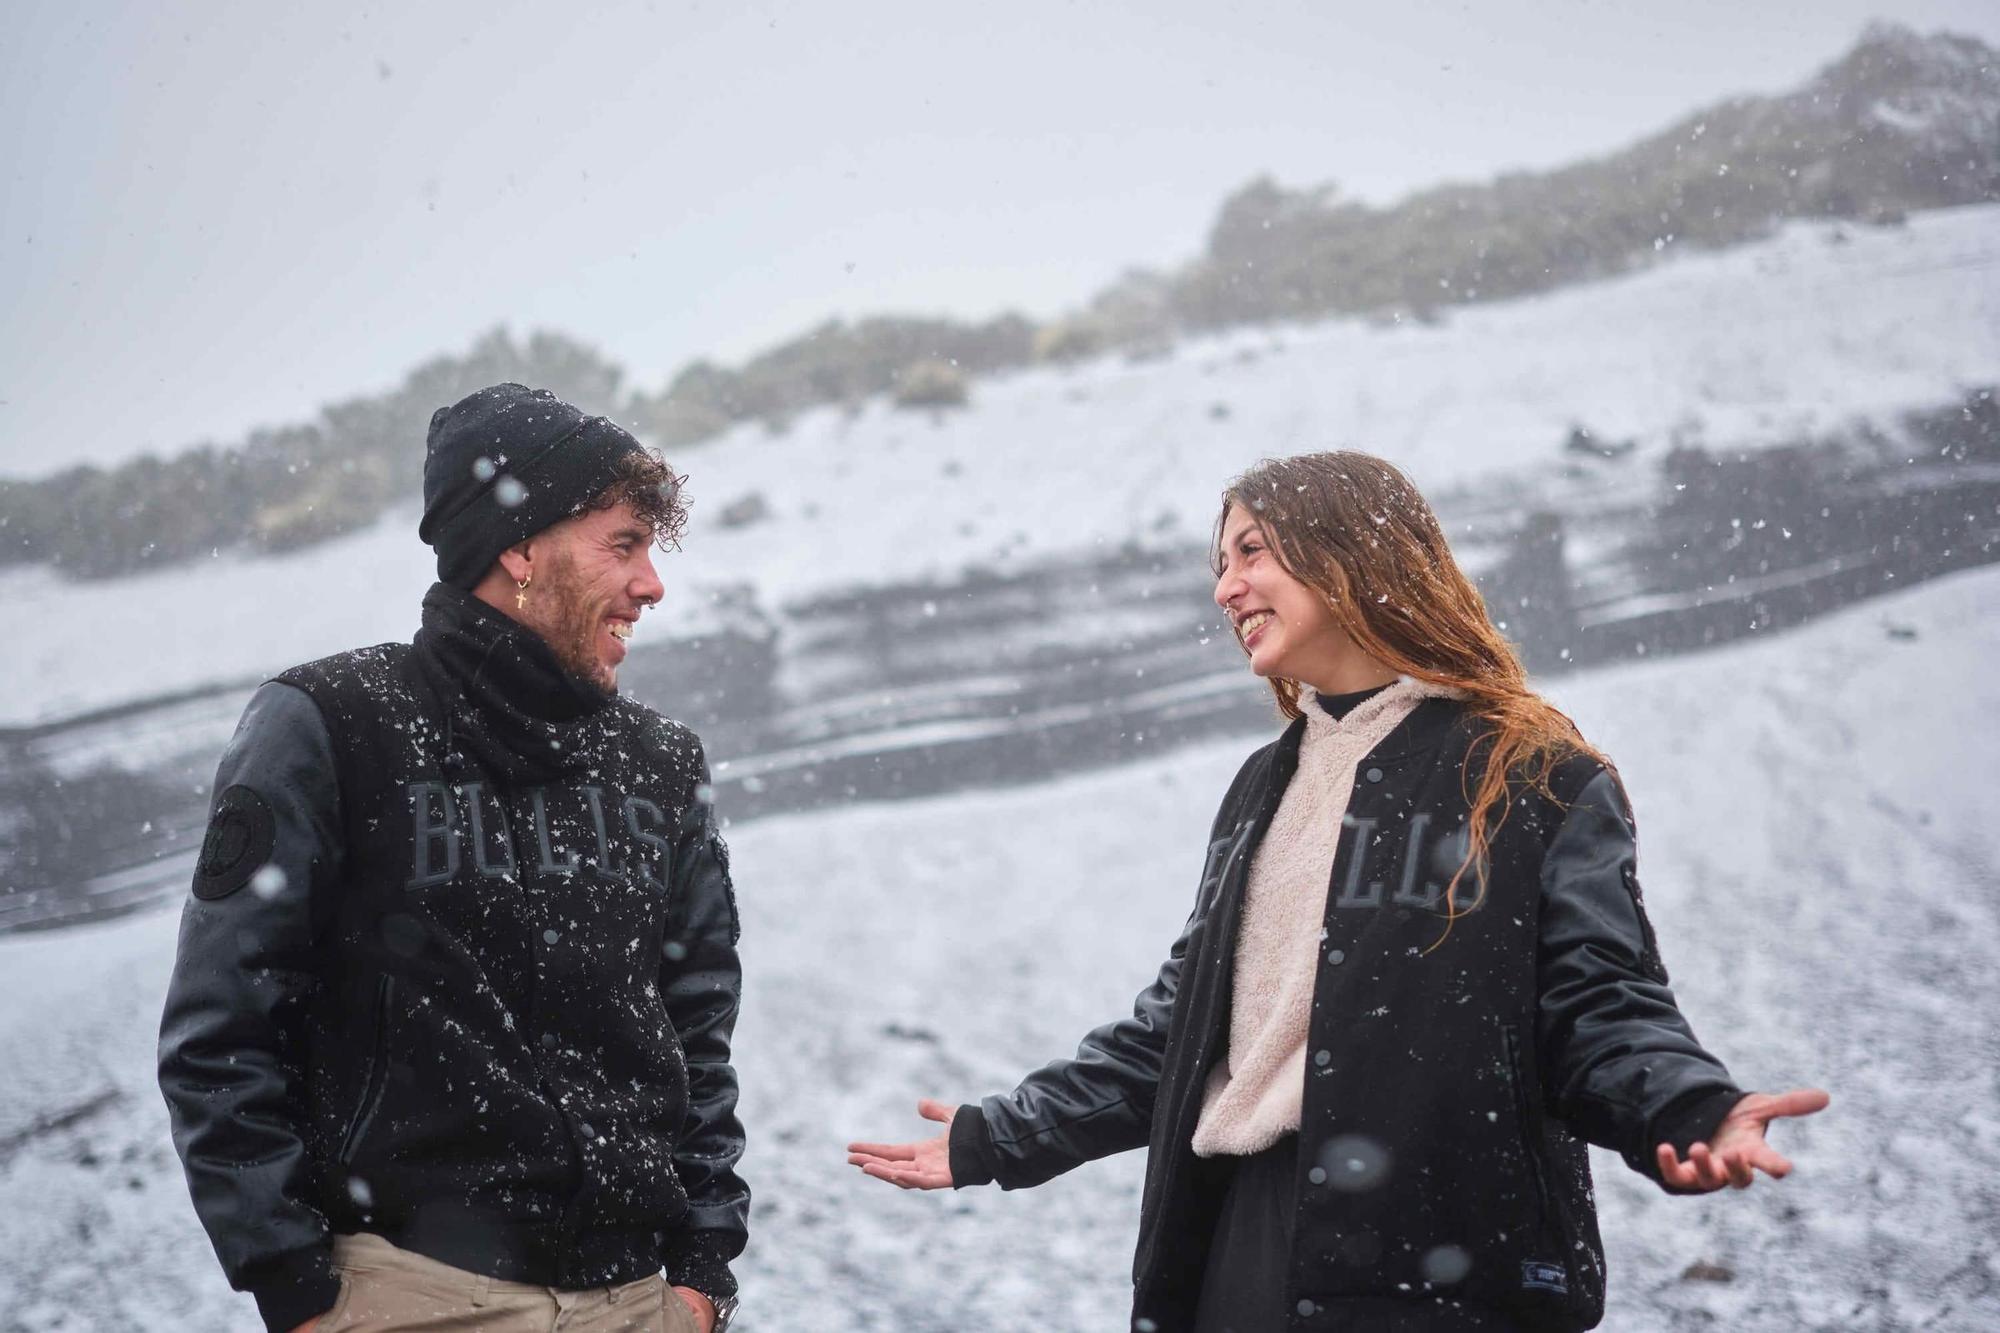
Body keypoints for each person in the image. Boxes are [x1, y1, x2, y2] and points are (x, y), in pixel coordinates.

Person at [848, 451, 1828, 1333]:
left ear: (1348, 551)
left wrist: (1690, 1109)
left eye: (1250, 552)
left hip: (1439, 1272)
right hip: (1236, 1249)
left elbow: (1596, 1004)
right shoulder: (1257, 786)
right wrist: (999, 1138)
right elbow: (1182, 1034)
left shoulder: (1530, 772)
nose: (1226, 587)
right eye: (1216, 566)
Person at [159, 384, 748, 1333]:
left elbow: (699, 1032)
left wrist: (702, 1275)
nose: (652, 585)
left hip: (642, 1302)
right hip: (412, 1300)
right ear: (518, 548)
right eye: (623, 544)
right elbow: (221, 1031)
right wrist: (293, 1287)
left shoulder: (662, 763)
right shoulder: (330, 725)